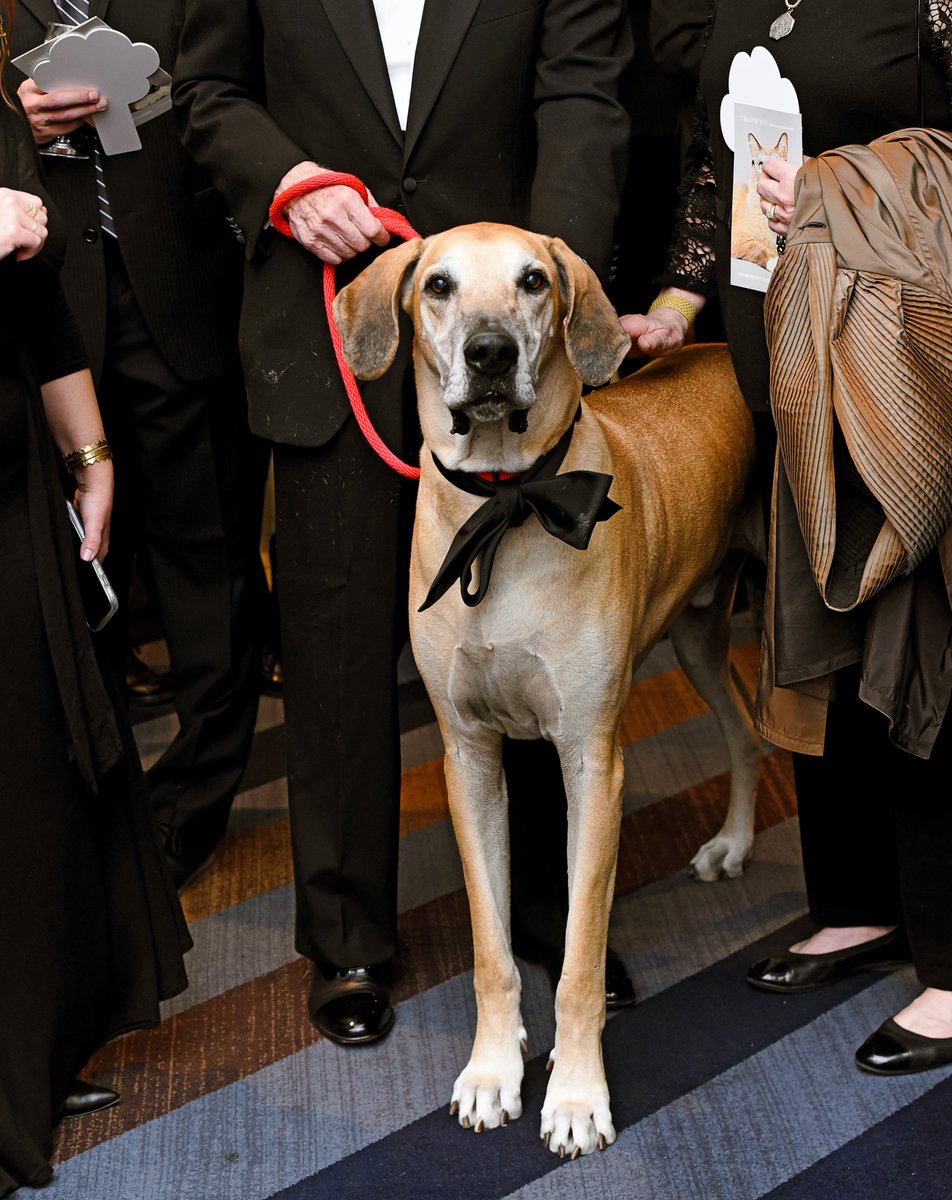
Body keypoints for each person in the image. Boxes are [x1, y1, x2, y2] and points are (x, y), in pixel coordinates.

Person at [172, 0, 633, 1044]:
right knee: (333, 647)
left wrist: (549, 308)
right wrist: (286, 182)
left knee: (539, 637)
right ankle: (348, 940)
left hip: (503, 334)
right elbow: (208, 91)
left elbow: (581, 103)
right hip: (332, 313)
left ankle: (558, 928)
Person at [620, 0, 952, 1074]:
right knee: (820, 630)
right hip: (791, 355)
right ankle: (863, 904)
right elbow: (721, 167)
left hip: (904, 370)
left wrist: (828, 191)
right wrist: (679, 304)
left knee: (925, 643)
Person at [8, 0, 267, 891]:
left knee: (207, 565)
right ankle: (90, 800)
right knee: (66, 567)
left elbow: (230, 92)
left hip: (179, 287)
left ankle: (193, 799)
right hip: (42, 307)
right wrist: (14, 113)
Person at [0, 24, 190, 1191]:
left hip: (14, 477)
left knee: (31, 772)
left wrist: (90, 445)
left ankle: (25, 1046)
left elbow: (33, 300)